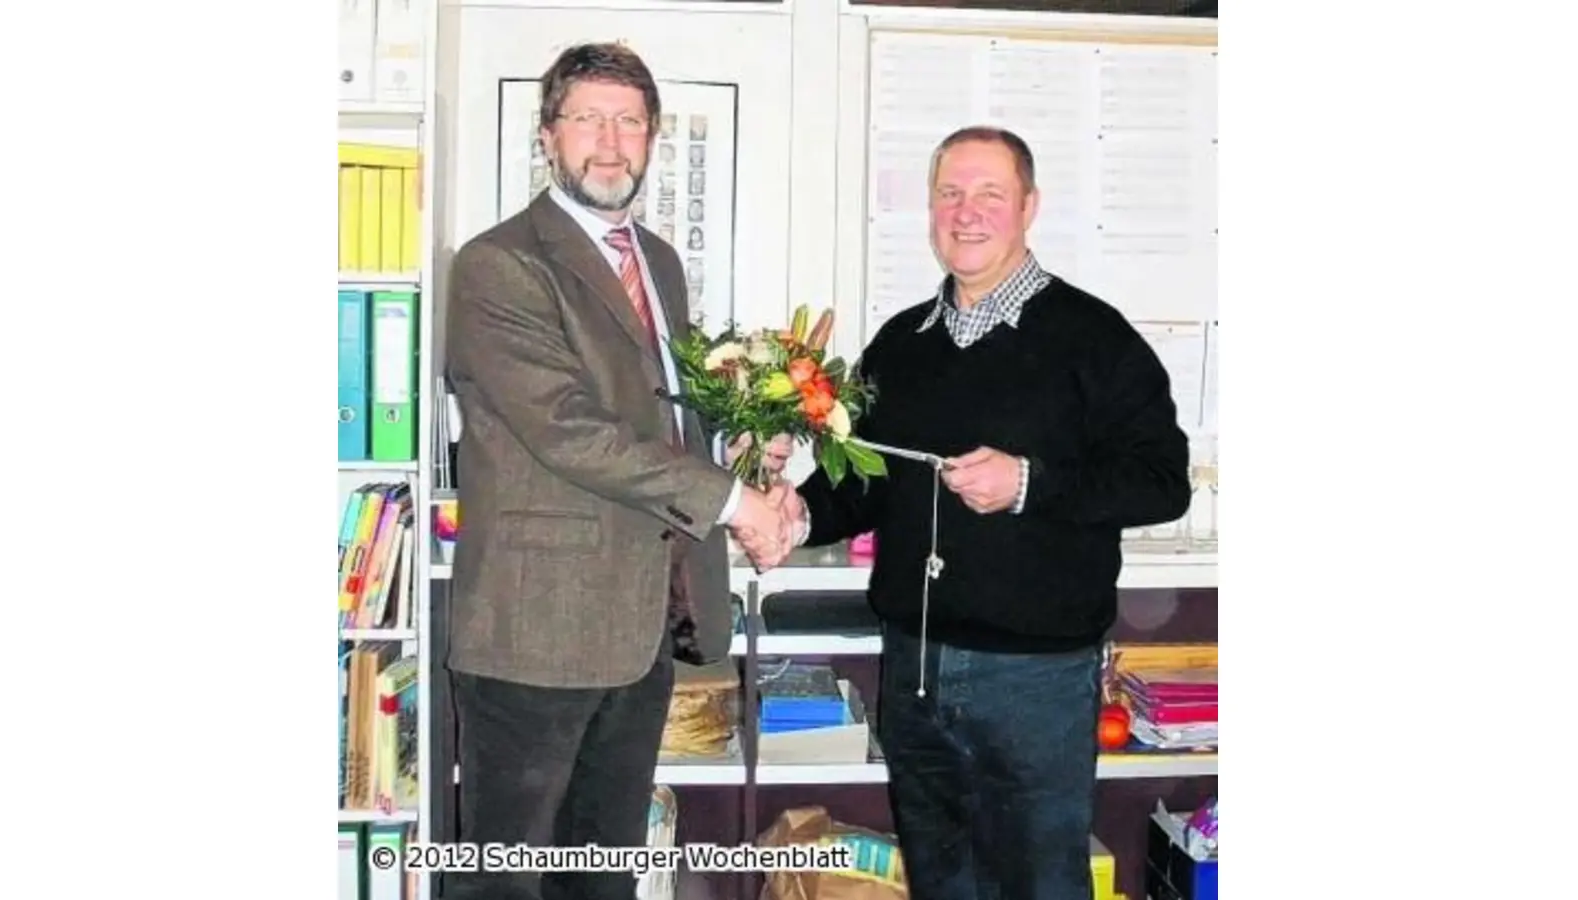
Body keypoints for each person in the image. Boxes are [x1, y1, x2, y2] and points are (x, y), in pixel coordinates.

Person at [775, 126, 1192, 900]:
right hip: (914, 670)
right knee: (940, 879)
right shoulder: (900, 344)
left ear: (1029, 206)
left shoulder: (1095, 339)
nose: (966, 213)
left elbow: (1162, 482)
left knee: (1038, 884)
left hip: (1035, 680)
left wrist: (1030, 483)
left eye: (989, 194)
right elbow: (861, 483)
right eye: (950, 194)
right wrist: (791, 514)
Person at [443, 42, 792, 900]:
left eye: (630, 121)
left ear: (653, 137)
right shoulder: (499, 264)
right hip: (536, 627)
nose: (610, 141)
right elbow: (569, 431)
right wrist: (736, 502)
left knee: (602, 873)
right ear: (546, 136)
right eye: (588, 119)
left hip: (641, 624)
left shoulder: (659, 263)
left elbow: (661, 418)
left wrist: (747, 457)